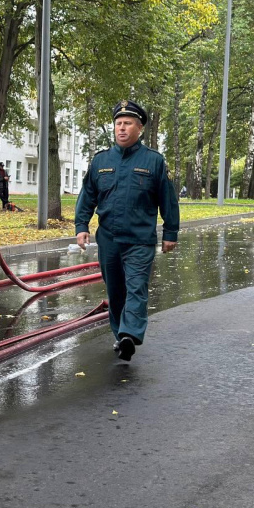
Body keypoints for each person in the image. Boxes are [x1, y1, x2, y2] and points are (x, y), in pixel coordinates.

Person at [75, 100, 179, 361]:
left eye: (128, 123)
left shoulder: (153, 161)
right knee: (116, 291)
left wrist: (170, 233)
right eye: (118, 123)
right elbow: (87, 195)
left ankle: (129, 333)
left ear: (139, 128)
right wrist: (81, 226)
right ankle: (121, 336)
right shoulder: (101, 161)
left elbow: (168, 199)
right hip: (108, 239)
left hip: (139, 240)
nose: (121, 128)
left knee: (136, 288)